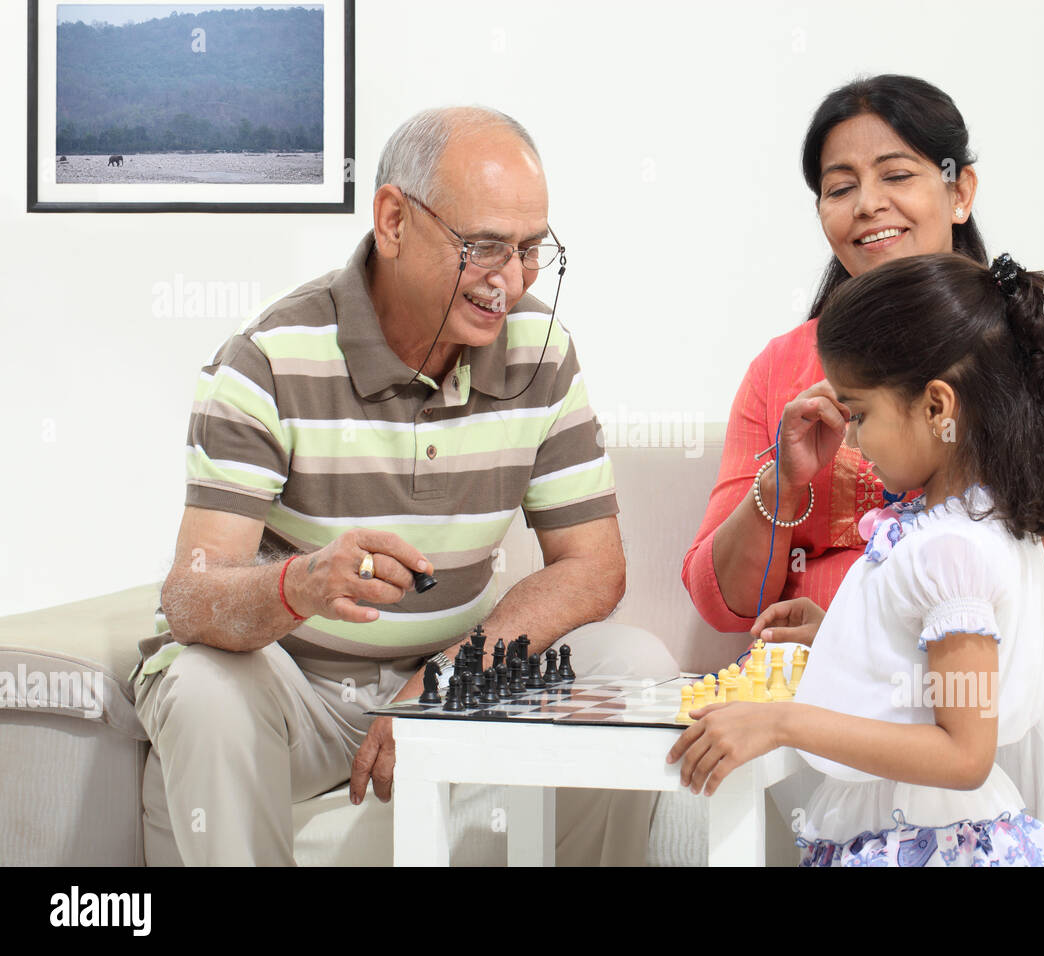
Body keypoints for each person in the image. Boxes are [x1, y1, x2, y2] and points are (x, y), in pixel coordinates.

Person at [131, 106, 678, 866]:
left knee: (635, 667)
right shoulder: (269, 361)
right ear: (392, 219)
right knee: (199, 688)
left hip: (457, 680)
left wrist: (447, 680)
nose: (511, 280)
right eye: (484, 246)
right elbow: (190, 595)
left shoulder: (540, 349)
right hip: (300, 695)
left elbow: (593, 567)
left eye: (530, 250)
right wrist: (301, 583)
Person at [669, 252, 1044, 865]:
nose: (851, 440)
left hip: (924, 836)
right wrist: (842, 632)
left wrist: (781, 723)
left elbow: (964, 755)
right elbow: (931, 674)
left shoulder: (951, 550)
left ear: (937, 408)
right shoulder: (975, 521)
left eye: (859, 415)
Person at [681, 75, 1044, 647]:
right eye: (840, 188)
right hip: (817, 682)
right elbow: (725, 607)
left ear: (959, 192)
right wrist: (782, 483)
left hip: (975, 673)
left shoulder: (1021, 340)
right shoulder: (782, 367)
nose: (867, 204)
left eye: (898, 175)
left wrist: (989, 464)